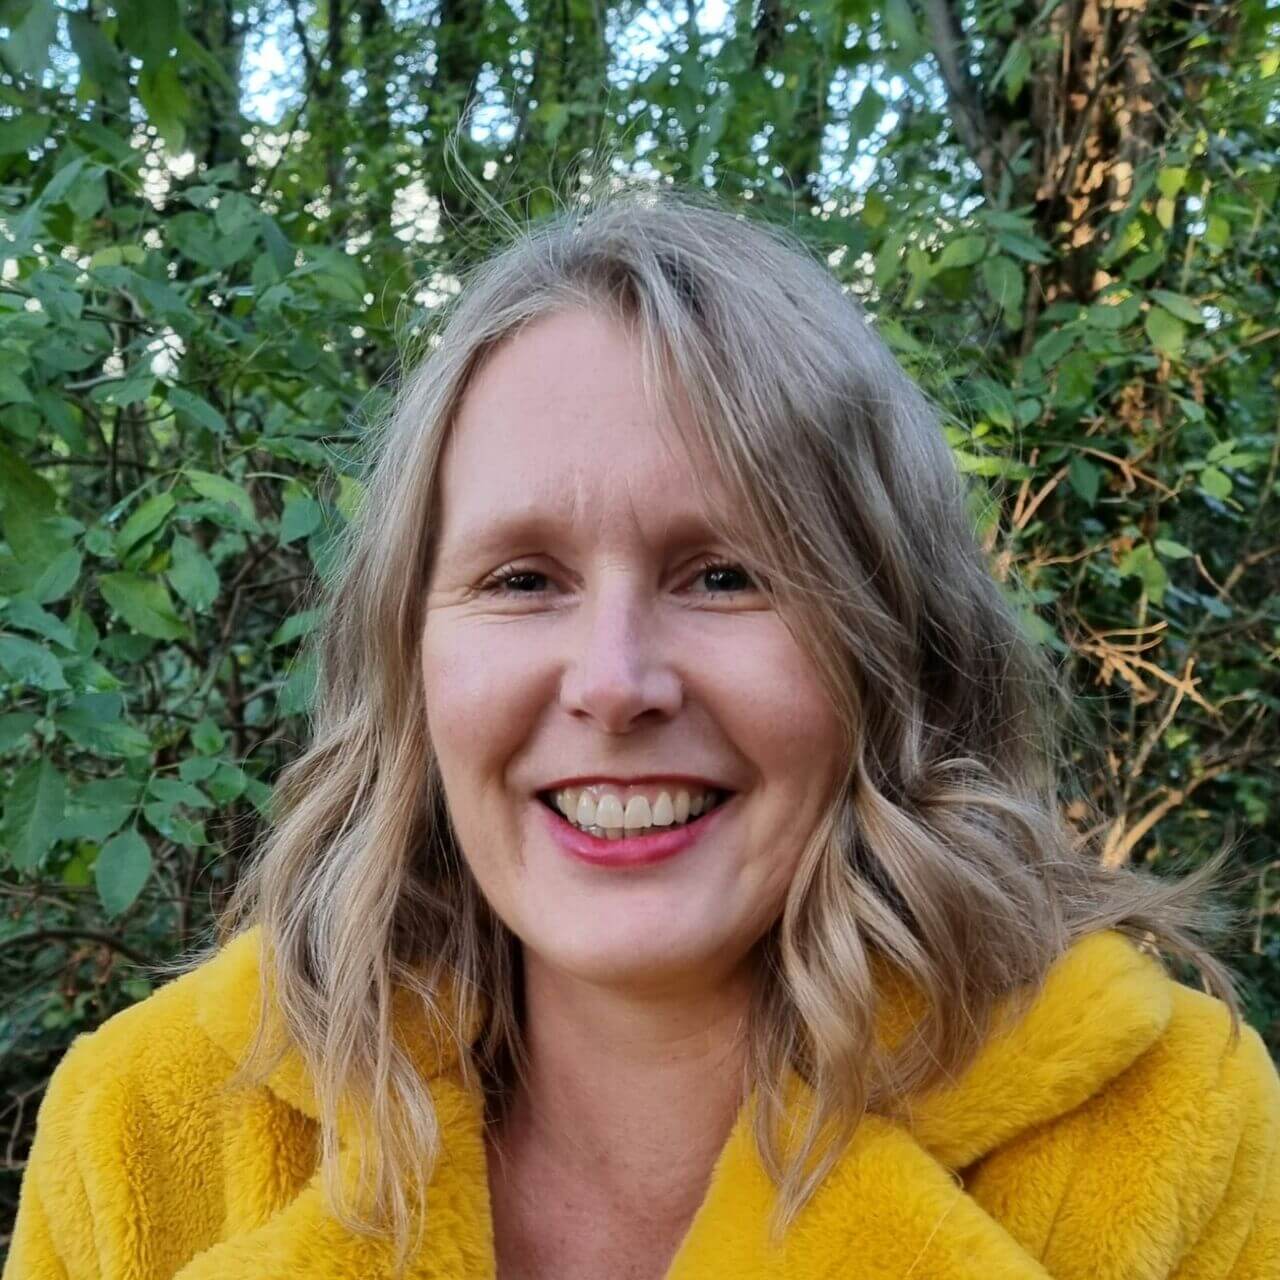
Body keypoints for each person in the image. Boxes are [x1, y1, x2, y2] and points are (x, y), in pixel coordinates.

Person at [6, 185, 1278, 1280]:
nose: (613, 684)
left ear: (894, 643)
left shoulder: (1167, 1125)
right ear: (408, 658)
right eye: (521, 578)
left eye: (725, 574)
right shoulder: (145, 1130)